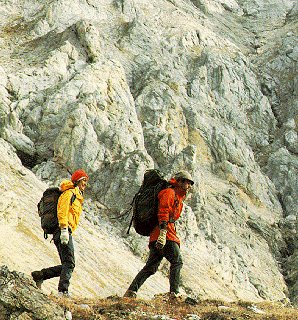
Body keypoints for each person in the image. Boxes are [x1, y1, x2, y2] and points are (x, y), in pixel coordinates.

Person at [124, 170, 194, 299]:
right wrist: (163, 232)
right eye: (188, 183)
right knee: (177, 261)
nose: (189, 186)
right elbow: (163, 212)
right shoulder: (169, 193)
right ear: (180, 182)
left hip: (157, 235)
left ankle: (131, 291)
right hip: (165, 235)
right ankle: (174, 293)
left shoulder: (177, 197)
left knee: (150, 267)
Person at [31, 169, 89, 296]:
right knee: (69, 263)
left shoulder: (76, 195)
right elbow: (62, 211)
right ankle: (63, 291)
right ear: (78, 181)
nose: (85, 183)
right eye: (83, 180)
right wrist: (63, 229)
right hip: (62, 230)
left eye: (86, 181)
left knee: (67, 264)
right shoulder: (69, 193)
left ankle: (40, 275)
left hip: (64, 231)